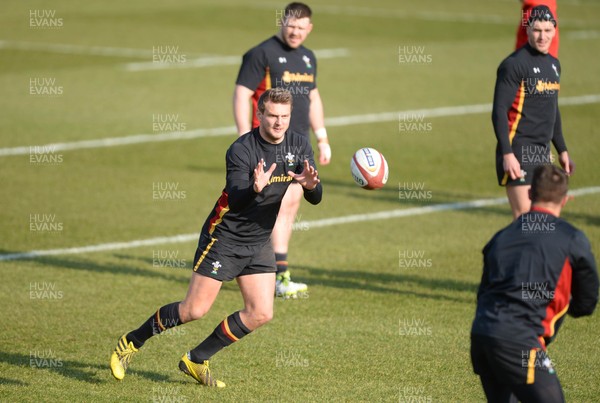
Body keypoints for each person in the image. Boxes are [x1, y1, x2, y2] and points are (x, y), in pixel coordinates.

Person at [110, 88, 322, 387]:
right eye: (272, 115)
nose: (278, 123)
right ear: (259, 114)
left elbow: (316, 197)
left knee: (260, 312)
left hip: (259, 239)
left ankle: (196, 359)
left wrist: (311, 186)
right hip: (224, 238)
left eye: (284, 117)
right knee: (193, 310)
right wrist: (255, 188)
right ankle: (131, 342)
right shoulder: (242, 150)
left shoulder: (299, 144)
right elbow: (236, 198)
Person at [471, 165, 598, 402]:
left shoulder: (501, 237)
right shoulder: (572, 238)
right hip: (520, 342)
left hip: (482, 336)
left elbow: (484, 292)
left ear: (529, 194)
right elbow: (587, 302)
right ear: (566, 200)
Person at [233, 2, 331, 298]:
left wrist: (322, 137)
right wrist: (243, 139)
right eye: (291, 26)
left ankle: (275, 272)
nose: (295, 32)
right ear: (282, 22)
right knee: (264, 204)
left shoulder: (308, 57)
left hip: (297, 143)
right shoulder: (260, 54)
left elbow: (313, 97)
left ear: (309, 29)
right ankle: (268, 270)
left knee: (289, 204)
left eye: (302, 28)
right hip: (266, 143)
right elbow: (242, 93)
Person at [492, 5, 573, 220]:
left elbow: (552, 108)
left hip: (543, 151)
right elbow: (499, 110)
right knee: (525, 221)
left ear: (555, 31)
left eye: (547, 31)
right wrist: (507, 154)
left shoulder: (554, 65)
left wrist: (562, 149)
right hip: (518, 148)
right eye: (537, 30)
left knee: (542, 221)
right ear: (527, 29)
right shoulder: (514, 65)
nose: (542, 36)